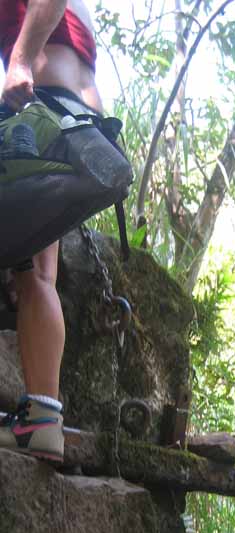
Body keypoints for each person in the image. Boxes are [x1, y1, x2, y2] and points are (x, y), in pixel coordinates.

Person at [0, 0, 103, 462]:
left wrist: (19, 60)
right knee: (37, 274)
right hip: (79, 127)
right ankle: (43, 420)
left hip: (46, 115)